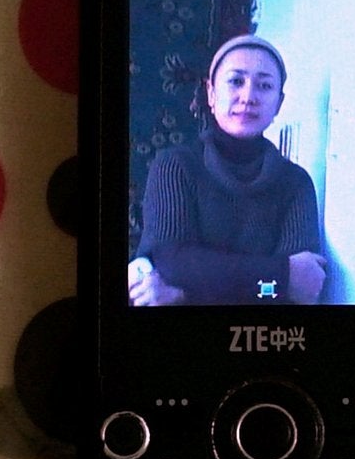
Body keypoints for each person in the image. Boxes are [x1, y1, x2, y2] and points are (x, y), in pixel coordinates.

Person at [131, 34, 327, 305]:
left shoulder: (295, 183)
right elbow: (171, 264)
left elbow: (299, 292)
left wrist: (185, 293)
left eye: (265, 85)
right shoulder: (175, 165)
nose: (248, 97)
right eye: (236, 81)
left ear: (279, 103)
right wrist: (281, 275)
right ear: (211, 93)